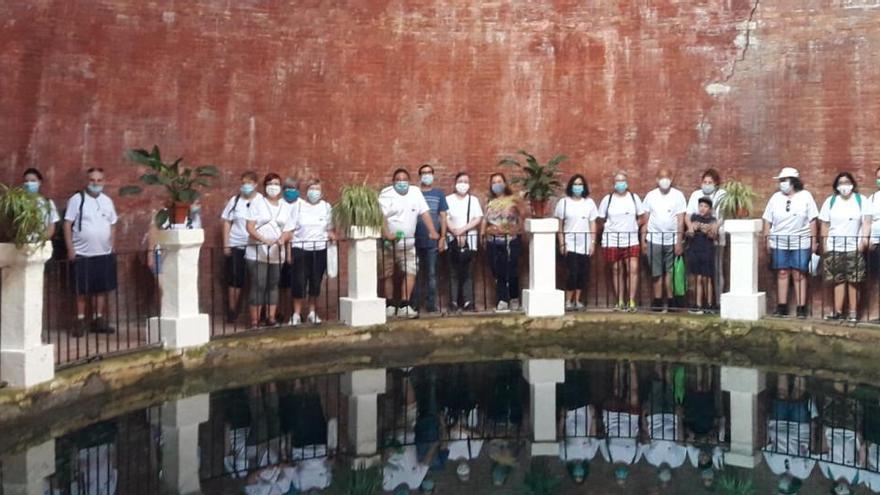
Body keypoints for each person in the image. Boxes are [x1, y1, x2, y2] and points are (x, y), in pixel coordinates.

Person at [63, 168, 118, 337]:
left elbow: (113, 223)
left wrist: (112, 244)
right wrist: (70, 248)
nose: (95, 183)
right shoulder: (77, 199)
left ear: (104, 182)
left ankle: (97, 319)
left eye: (99, 180)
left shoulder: (107, 201)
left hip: (103, 252)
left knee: (100, 288)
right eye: (92, 180)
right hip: (82, 252)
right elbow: (67, 224)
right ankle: (79, 321)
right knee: (81, 289)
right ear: (87, 181)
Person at [379, 168, 439, 319]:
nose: (401, 182)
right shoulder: (386, 194)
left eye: (404, 179)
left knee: (411, 271)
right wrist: (387, 234)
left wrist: (432, 231)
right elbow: (380, 216)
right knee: (388, 274)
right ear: (393, 182)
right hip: (388, 243)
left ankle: (405, 304)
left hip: (409, 243)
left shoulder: (415, 193)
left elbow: (424, 212)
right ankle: (390, 304)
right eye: (398, 180)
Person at [762, 167, 819, 319]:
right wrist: (767, 238)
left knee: (799, 273)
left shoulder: (806, 196)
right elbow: (767, 220)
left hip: (801, 241)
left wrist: (814, 241)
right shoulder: (775, 198)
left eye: (784, 180)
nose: (782, 184)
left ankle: (801, 307)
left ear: (793, 181)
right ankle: (782, 306)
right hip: (779, 241)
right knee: (782, 272)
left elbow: (812, 220)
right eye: (780, 181)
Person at [818, 172, 871, 323]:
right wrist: (825, 244)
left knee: (853, 280)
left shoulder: (861, 200)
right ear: (836, 186)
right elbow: (825, 224)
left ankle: (853, 313)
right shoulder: (831, 201)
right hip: (835, 247)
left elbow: (866, 222)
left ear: (852, 184)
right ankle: (838, 311)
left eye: (847, 182)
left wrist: (864, 240)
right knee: (838, 280)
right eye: (841, 182)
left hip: (854, 247)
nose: (844, 185)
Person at [245, 173, 293, 328]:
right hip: (257, 252)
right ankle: (254, 320)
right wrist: (264, 240)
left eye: (277, 184)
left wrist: (281, 240)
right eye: (270, 183)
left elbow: (289, 230)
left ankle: (271, 317)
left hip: (276, 254)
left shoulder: (286, 206)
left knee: (273, 284)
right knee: (258, 284)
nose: (274, 187)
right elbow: (250, 227)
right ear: (265, 186)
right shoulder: (257, 203)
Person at [285, 179, 335, 326]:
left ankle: (312, 312)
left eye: (317, 189)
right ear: (306, 191)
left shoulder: (326, 207)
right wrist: (289, 253)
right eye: (311, 188)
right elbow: (290, 229)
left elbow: (330, 229)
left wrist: (332, 235)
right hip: (300, 249)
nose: (314, 192)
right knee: (299, 282)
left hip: (319, 249)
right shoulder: (298, 206)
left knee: (315, 282)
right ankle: (296, 314)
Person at [597, 171, 646, 312]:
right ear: (614, 183)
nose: (620, 183)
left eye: (623, 180)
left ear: (627, 182)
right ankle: (619, 301)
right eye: (618, 180)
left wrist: (634, 226)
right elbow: (601, 219)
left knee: (633, 269)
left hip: (631, 239)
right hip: (612, 239)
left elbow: (642, 217)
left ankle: (631, 301)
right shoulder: (608, 199)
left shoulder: (633, 198)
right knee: (617, 270)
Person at [641, 169, 687, 311]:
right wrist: (643, 239)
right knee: (656, 272)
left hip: (671, 240)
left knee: (670, 272)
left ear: (671, 178)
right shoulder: (650, 196)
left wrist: (679, 241)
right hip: (654, 239)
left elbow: (680, 220)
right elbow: (645, 220)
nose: (664, 180)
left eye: (667, 177)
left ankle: (672, 300)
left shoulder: (678, 196)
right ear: (657, 179)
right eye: (661, 177)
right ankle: (658, 300)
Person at [481, 173, 527, 313]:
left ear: (505, 183)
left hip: (510, 240)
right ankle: (502, 300)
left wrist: (516, 230)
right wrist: (483, 234)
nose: (497, 184)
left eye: (499, 181)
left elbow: (523, 215)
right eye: (494, 182)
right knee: (498, 271)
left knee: (512, 270)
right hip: (493, 240)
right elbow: (485, 219)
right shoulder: (489, 200)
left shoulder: (513, 199)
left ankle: (514, 298)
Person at [221, 171, 262, 324]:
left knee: (257, 279)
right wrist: (226, 244)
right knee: (235, 279)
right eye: (243, 182)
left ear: (256, 184)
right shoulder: (235, 200)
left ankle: (258, 314)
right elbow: (226, 221)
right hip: (236, 244)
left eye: (249, 182)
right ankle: (232, 310)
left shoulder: (261, 201)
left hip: (255, 245)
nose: (246, 186)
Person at [555, 174, 598, 311]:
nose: (577, 187)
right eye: (575, 184)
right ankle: (568, 300)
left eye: (580, 184)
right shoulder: (564, 203)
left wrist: (592, 242)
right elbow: (559, 225)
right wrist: (562, 243)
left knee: (582, 273)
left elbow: (592, 223)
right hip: (569, 242)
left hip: (584, 243)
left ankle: (577, 300)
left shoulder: (589, 203)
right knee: (572, 272)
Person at [686, 169, 728, 306]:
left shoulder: (722, 195)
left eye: (710, 182)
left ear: (716, 183)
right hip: (698, 241)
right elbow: (688, 215)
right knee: (699, 274)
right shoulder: (696, 194)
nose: (707, 184)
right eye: (705, 182)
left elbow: (723, 215)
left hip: (716, 239)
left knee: (716, 271)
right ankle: (701, 302)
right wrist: (691, 226)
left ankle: (718, 302)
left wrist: (713, 227)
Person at [411, 164, 448, 314]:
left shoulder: (439, 194)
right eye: (424, 173)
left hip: (433, 241)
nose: (426, 175)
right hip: (415, 240)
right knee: (415, 273)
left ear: (433, 175)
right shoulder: (414, 193)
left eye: (429, 172)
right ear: (419, 176)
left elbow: (443, 216)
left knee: (432, 274)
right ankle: (413, 305)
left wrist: (442, 237)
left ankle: (431, 305)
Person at [445, 172, 483, 312]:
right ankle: (453, 302)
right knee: (453, 272)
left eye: (466, 181)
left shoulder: (473, 200)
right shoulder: (448, 199)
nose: (463, 184)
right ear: (455, 183)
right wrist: (455, 232)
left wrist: (463, 230)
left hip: (470, 241)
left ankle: (468, 301)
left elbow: (477, 218)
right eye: (460, 181)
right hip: (452, 241)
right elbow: (444, 217)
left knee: (468, 273)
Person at [686, 198, 719, 314]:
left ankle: (709, 304)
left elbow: (713, 235)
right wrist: (694, 228)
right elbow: (690, 231)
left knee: (707, 278)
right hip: (695, 250)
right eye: (700, 206)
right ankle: (698, 304)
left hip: (707, 251)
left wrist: (708, 230)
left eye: (705, 206)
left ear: (710, 209)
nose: (702, 208)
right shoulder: (694, 217)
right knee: (697, 277)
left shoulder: (713, 220)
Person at [279, 177, 301, 316]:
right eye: (287, 188)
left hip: (299, 247)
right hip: (279, 248)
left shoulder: (302, 205)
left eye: (293, 188)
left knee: (297, 282)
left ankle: (295, 312)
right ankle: (280, 312)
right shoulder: (279, 204)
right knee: (281, 284)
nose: (290, 191)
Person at [22, 167, 60, 239]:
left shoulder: (48, 202)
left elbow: (51, 226)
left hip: (41, 245)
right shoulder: (18, 203)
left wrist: (41, 241)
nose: (29, 183)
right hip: (22, 244)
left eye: (33, 181)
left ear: (39, 182)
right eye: (26, 181)